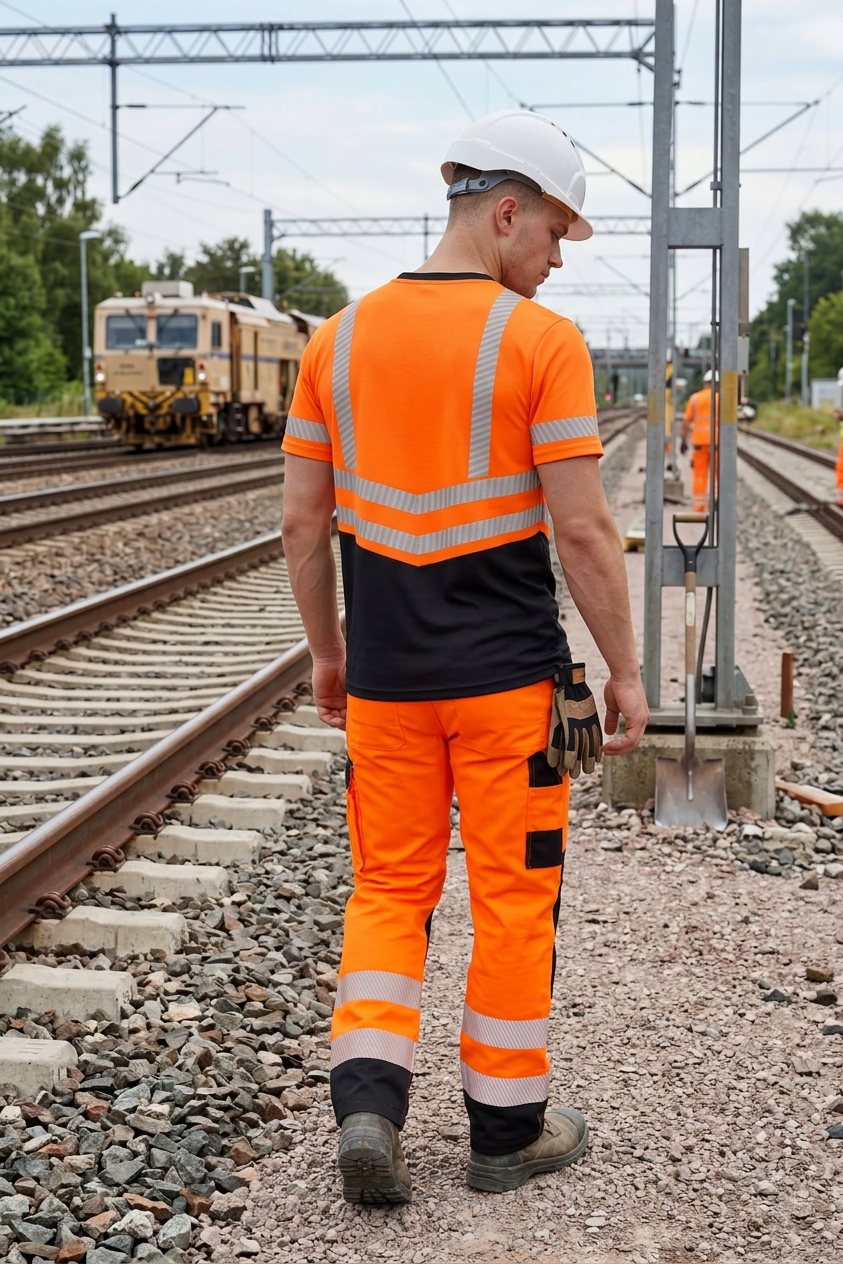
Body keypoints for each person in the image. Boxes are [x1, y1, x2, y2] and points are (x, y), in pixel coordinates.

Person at [281, 109, 649, 1204]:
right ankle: (504, 1133)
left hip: (389, 689)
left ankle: (368, 1110)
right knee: (512, 897)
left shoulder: (333, 342)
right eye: (554, 237)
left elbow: (303, 527)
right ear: (505, 212)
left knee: (388, 890)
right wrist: (624, 670)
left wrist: (329, 654)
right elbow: (582, 531)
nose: (553, 262)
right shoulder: (540, 343)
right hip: (507, 693)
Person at [681, 369, 718, 512]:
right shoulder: (723, 398)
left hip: (699, 443)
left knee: (699, 475)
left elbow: (686, 421)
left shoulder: (695, 398)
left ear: (705, 383)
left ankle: (699, 506)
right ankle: (716, 502)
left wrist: (683, 440)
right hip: (717, 443)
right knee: (718, 475)